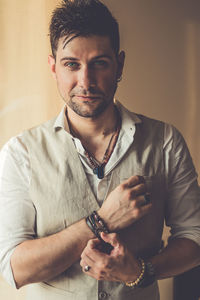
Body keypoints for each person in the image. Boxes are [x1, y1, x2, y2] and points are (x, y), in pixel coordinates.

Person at [0, 0, 200, 299]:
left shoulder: (165, 141)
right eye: (72, 64)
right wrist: (100, 222)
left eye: (99, 63)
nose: (86, 81)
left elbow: (194, 239)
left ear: (119, 64)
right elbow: (14, 268)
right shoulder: (21, 153)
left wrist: (139, 271)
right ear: (53, 67)